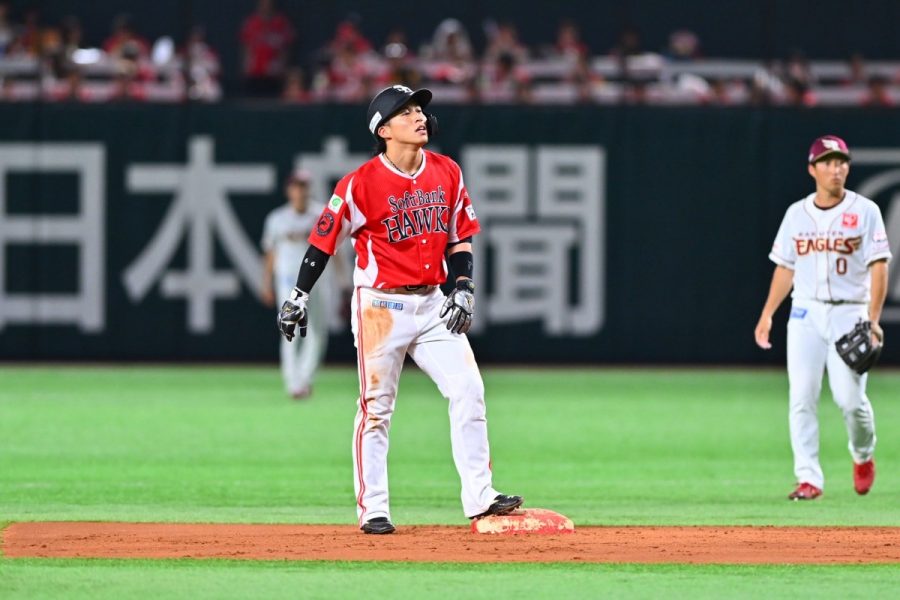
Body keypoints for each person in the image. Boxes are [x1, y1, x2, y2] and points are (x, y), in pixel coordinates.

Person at [276, 84, 523, 533]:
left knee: (469, 389)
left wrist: (463, 287)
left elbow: (459, 238)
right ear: (384, 130)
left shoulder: (447, 171)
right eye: (406, 112)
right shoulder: (358, 184)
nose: (419, 117)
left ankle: (481, 496)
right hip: (380, 305)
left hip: (432, 303)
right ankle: (373, 509)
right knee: (376, 408)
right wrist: (299, 294)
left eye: (419, 110)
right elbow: (322, 241)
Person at [754, 135, 891, 500]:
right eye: (828, 162)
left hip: (850, 311)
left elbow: (879, 266)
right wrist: (768, 313)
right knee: (801, 396)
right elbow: (785, 267)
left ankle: (863, 454)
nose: (836, 169)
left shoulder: (866, 211)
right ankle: (808, 478)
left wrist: (873, 319)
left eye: (841, 161)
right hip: (805, 311)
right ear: (812, 169)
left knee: (850, 401)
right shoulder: (796, 214)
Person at [261, 169, 328, 399]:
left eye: (304, 186)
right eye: (296, 186)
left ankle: (305, 378)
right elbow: (270, 254)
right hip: (288, 282)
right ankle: (293, 383)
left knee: (317, 331)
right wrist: (266, 283)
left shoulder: (321, 214)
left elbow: (333, 250)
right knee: (290, 329)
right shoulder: (277, 219)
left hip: (316, 281)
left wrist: (342, 281)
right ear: (289, 190)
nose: (300, 191)